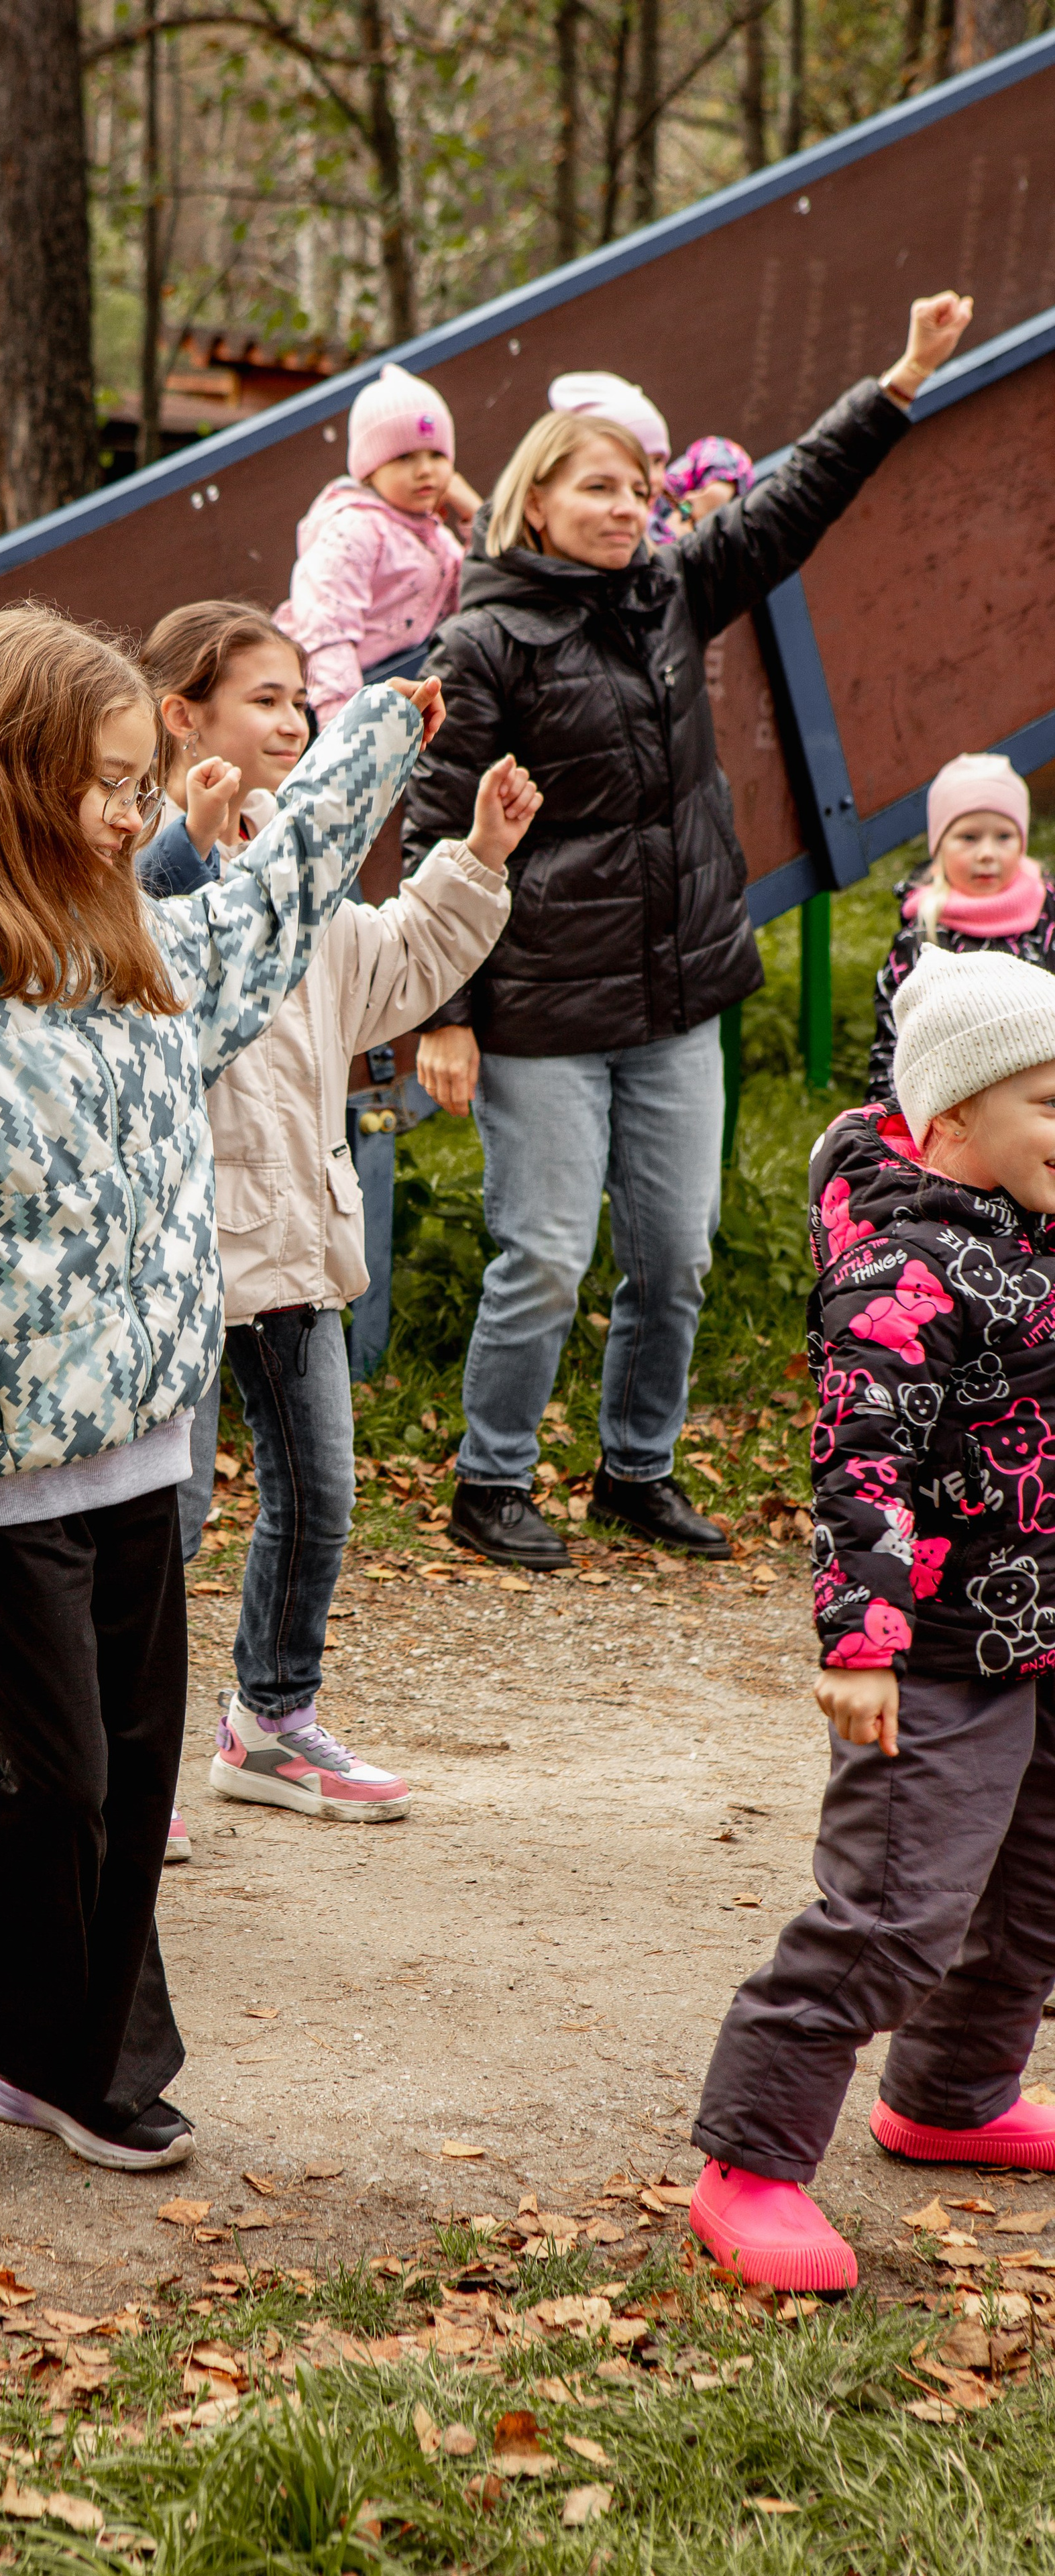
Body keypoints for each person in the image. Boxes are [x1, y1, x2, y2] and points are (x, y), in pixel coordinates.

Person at [0, 605, 439, 2177]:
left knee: (131, 1789)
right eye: (109, 783)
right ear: (6, 772)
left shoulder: (137, 954)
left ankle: (69, 2053)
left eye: (146, 780)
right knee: (54, 1787)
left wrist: (379, 741)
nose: (139, 811)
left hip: (138, 1437)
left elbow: (273, 896)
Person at [404, 289, 975, 1572]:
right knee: (546, 1254)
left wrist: (899, 377)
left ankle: (635, 1469)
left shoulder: (666, 591)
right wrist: (438, 1011)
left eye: (640, 488)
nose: (625, 507)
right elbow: (438, 822)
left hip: (676, 997)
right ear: (536, 499)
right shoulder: (484, 638)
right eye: (599, 487)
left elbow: (789, 507)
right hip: (542, 1004)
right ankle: (491, 1480)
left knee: (675, 1259)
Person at [688, 947, 1055, 2292]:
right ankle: (751, 2159)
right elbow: (861, 1469)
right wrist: (858, 1641)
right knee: (896, 1913)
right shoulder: (899, 1267)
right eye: (1050, 1103)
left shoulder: (1029, 1216)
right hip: (936, 1651)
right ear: (953, 1121)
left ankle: (950, 2097)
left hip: (1041, 1630)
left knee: (1027, 1900)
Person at [137, 600, 527, 1829]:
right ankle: (119, 1759)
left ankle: (271, 1720)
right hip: (177, 1259)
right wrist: (183, 856)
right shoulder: (128, 858)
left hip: (296, 1239)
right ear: (179, 715)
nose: (293, 719)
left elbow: (393, 971)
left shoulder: (302, 876)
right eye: (264, 698)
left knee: (319, 1495)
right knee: (168, 1514)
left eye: (303, 700)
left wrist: (478, 859)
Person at [275, 364, 479, 728]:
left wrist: (476, 513)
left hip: (386, 693)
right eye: (405, 458)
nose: (425, 471)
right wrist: (341, 725)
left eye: (437, 456)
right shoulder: (354, 528)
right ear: (369, 470)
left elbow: (481, 586)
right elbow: (326, 630)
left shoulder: (434, 538)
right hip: (322, 704)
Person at [866, 754, 1046, 1107]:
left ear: (1022, 842)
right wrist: (888, 1123)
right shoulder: (924, 936)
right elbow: (895, 1044)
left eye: (1004, 836)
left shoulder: (1048, 914)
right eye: (969, 837)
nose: (987, 854)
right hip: (957, 1109)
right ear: (939, 847)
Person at [649, 435, 755, 544]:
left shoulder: (669, 487)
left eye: (657, 461)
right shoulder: (643, 530)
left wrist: (716, 493)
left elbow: (721, 449)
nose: (653, 477)